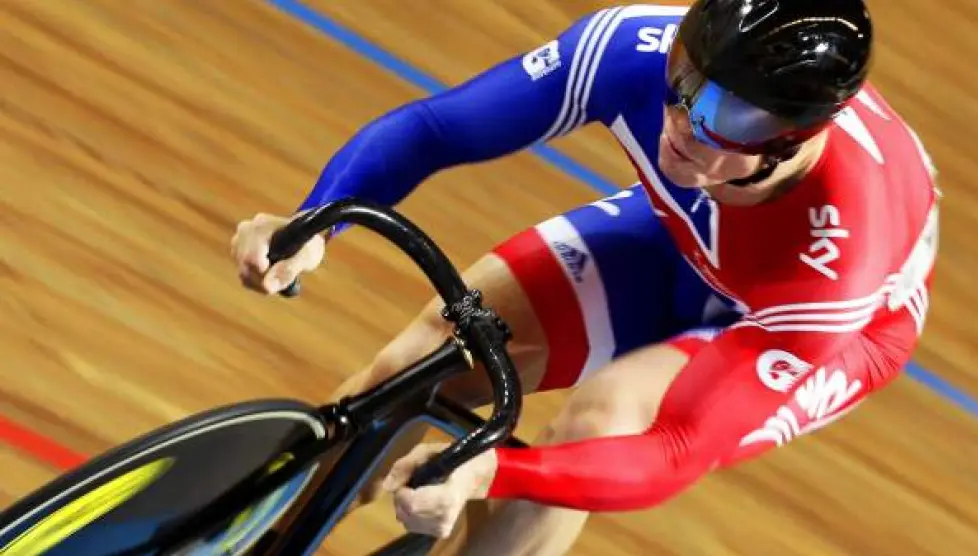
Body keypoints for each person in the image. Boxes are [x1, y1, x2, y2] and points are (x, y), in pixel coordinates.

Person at [231, 0, 940, 554]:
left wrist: (490, 472)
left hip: (832, 326)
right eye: (685, 78)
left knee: (594, 430)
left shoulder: (839, 263)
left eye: (723, 115)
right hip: (691, 231)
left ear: (793, 139)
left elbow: (673, 450)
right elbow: (435, 130)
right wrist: (313, 223)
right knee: (415, 366)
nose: (682, 120)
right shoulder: (635, 50)